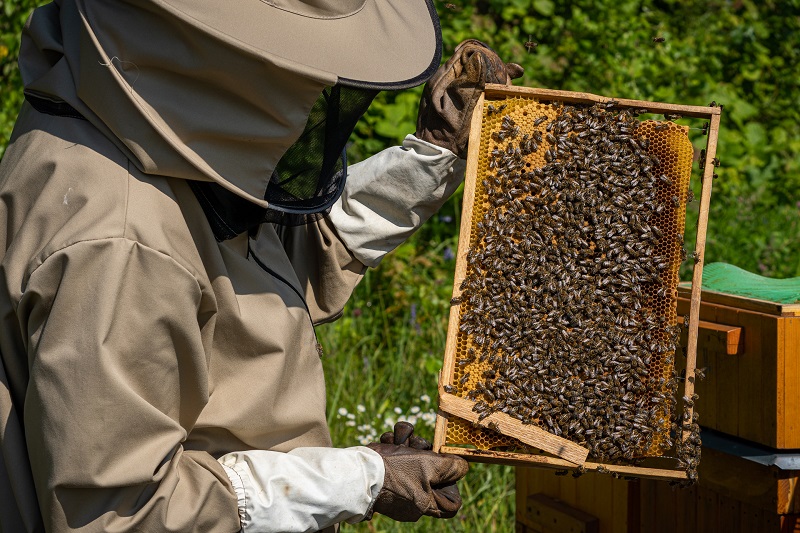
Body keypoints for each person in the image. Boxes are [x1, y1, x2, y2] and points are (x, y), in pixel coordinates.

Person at [0, 1, 522, 531]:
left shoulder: (138, 130)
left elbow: (247, 279)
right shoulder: (118, 243)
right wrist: (357, 478)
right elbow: (120, 514)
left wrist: (430, 158)